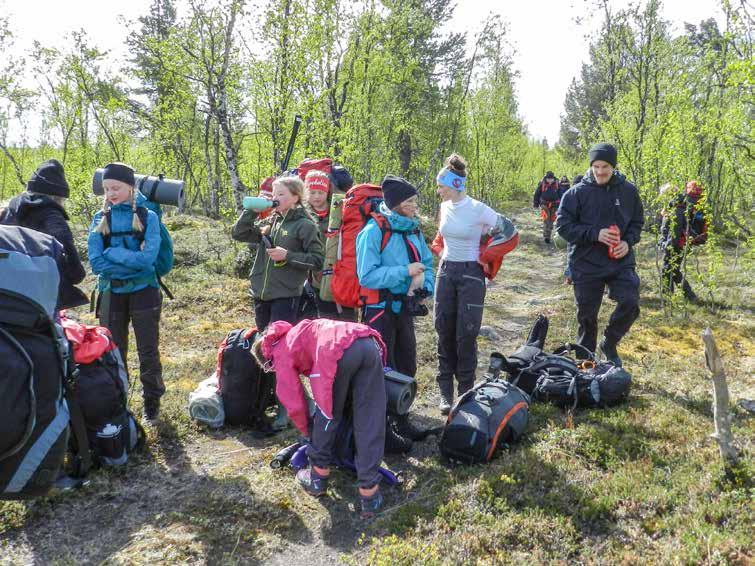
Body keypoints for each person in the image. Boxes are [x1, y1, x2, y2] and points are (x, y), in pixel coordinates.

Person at [252, 318, 387, 517]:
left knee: (327, 413)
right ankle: (370, 494)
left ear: (267, 359)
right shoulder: (298, 331)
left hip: (334, 351)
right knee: (369, 418)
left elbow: (294, 402)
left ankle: (317, 478)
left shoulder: (277, 352)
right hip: (367, 341)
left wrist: (309, 432)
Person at [87, 162, 165, 422]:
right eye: (107, 189)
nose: (110, 193)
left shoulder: (148, 217)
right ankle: (118, 400)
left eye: (116, 188)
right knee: (113, 350)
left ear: (131, 187)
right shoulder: (100, 219)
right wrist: (130, 257)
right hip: (112, 292)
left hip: (145, 291)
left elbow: (148, 260)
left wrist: (113, 254)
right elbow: (96, 262)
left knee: (148, 350)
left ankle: (151, 401)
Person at [556, 143, 643, 367]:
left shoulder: (629, 191)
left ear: (613, 166)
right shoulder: (576, 193)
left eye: (605, 166)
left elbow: (637, 223)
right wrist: (595, 234)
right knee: (587, 316)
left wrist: (627, 241)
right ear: (591, 166)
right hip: (585, 262)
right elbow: (563, 227)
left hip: (619, 261)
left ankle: (609, 343)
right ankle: (585, 363)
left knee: (630, 301)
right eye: (596, 166)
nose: (600, 171)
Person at [434, 154, 499, 414]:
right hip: (447, 271)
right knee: (443, 329)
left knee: (466, 333)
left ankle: (465, 391)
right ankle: (444, 392)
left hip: (472, 273)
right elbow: (442, 238)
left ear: (455, 185)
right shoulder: (444, 207)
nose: (438, 191)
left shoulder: (478, 209)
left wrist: (487, 257)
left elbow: (508, 232)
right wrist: (441, 254)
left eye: (441, 186)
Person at [231, 175, 324, 330]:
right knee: (262, 343)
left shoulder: (305, 225)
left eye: (281, 194)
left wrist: (287, 255)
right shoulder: (272, 221)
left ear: (296, 197)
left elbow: (317, 261)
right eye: (274, 194)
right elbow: (238, 233)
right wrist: (251, 212)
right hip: (260, 294)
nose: (275, 198)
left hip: (286, 297)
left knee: (278, 345)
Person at [0, 159, 88, 310]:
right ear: (59, 197)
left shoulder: (6, 213)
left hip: (5, 297)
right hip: (40, 303)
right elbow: (74, 271)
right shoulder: (53, 219)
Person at [302, 169, 357, 321]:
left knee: (347, 315)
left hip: (341, 270)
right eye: (312, 193)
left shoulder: (339, 210)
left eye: (321, 192)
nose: (316, 197)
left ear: (328, 191)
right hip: (317, 275)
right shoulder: (302, 214)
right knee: (325, 315)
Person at [660, 180, 707, 302]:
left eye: (663, 196)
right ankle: (689, 296)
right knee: (673, 270)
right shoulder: (678, 205)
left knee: (667, 270)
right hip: (680, 243)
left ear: (668, 195)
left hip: (676, 244)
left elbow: (675, 230)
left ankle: (669, 298)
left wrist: (668, 245)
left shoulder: (677, 208)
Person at [562, 174, 584, 285]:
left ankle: (570, 278)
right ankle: (570, 277)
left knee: (572, 254)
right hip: (577, 232)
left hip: (580, 232)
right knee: (573, 255)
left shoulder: (571, 195)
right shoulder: (572, 196)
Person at [533, 171, 562, 243]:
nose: (550, 180)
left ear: (553, 178)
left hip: (555, 205)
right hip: (544, 205)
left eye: (551, 179)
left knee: (551, 220)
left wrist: (562, 205)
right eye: (548, 179)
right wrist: (535, 204)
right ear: (546, 178)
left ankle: (548, 234)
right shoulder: (542, 184)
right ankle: (547, 237)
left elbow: (561, 194)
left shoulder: (557, 184)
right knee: (546, 220)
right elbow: (536, 194)